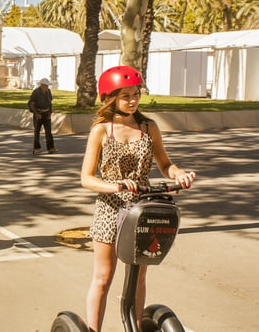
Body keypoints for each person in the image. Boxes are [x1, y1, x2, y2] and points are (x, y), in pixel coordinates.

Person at [81, 66, 196, 332]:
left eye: (136, 94)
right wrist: (115, 185)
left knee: (138, 277)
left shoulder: (148, 127)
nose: (133, 100)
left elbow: (165, 164)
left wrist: (178, 174)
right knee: (103, 278)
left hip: (142, 209)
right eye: (125, 96)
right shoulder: (101, 130)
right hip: (110, 210)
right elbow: (86, 178)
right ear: (110, 98)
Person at [29, 78, 58, 154]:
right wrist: (37, 113)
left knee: (48, 131)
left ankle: (51, 147)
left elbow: (50, 103)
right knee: (37, 131)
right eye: (45, 86)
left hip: (46, 113)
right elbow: (31, 104)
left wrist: (50, 113)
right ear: (41, 85)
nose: (47, 87)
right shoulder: (36, 92)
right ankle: (36, 148)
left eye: (47, 86)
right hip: (38, 114)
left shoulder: (48, 92)